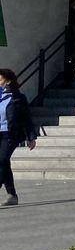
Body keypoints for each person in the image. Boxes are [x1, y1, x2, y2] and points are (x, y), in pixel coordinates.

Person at [0, 68, 38, 206]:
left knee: (1, 160)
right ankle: (12, 195)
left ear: (8, 81)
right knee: (4, 163)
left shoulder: (18, 98)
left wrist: (31, 137)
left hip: (11, 134)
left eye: (0, 79)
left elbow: (26, 118)